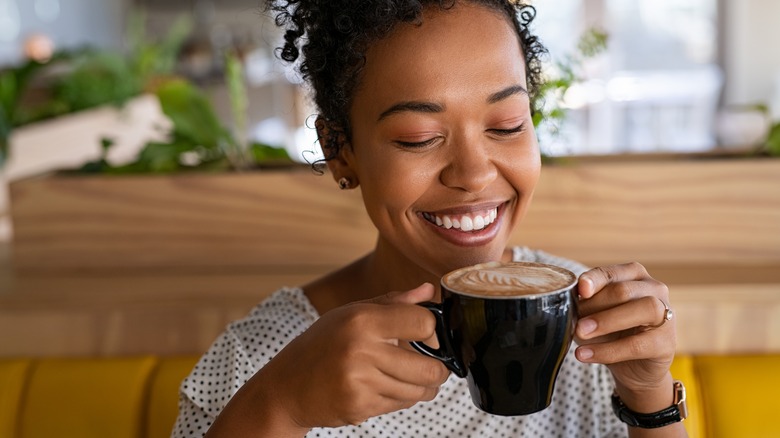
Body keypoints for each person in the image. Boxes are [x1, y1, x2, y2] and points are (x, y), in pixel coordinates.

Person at [172, 1, 686, 437]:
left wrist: (648, 396)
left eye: (507, 126)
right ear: (340, 150)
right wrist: (278, 405)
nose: (474, 174)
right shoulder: (254, 360)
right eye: (418, 137)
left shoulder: (590, 330)